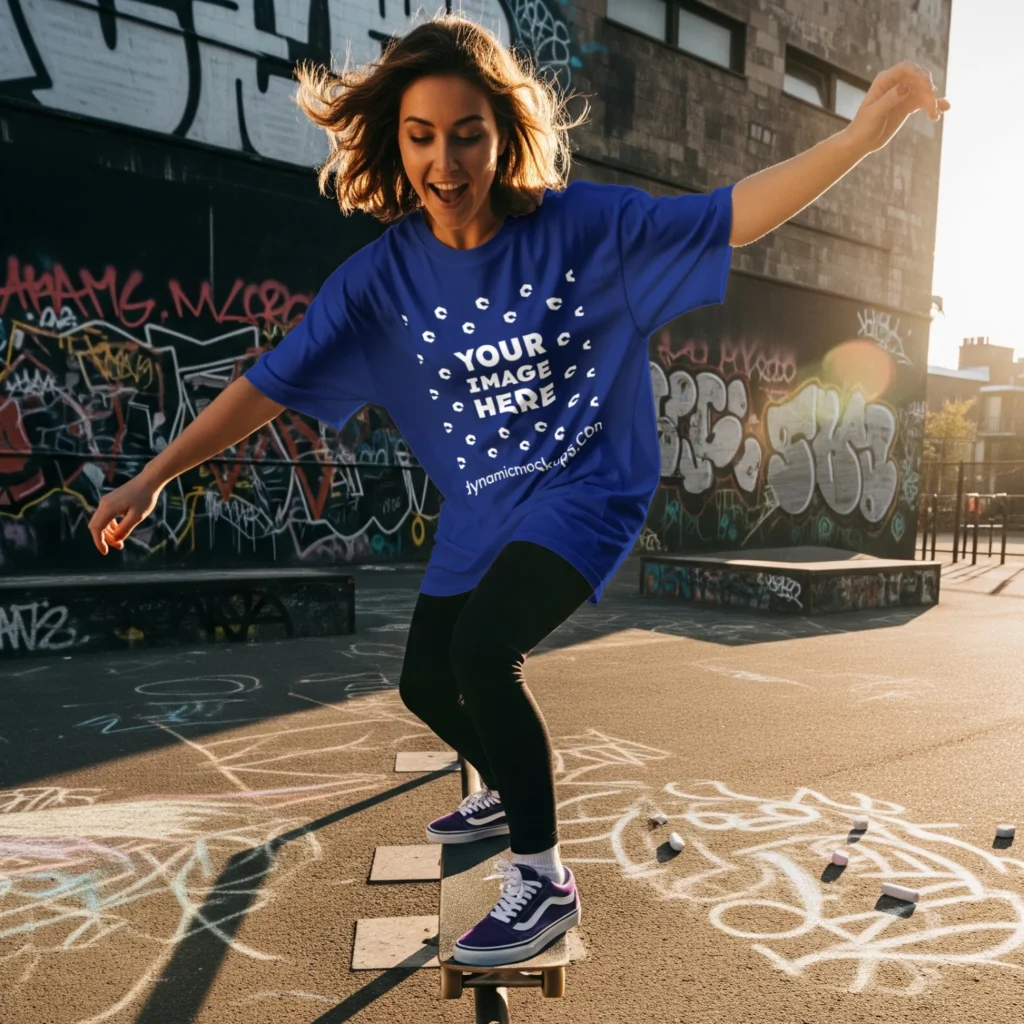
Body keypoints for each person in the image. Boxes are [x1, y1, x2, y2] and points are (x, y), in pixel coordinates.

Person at [88, 16, 948, 966]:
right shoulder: (380, 280)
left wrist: (863, 137)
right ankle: (509, 777)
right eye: (421, 136)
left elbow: (732, 211)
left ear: (505, 136)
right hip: (485, 509)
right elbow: (267, 382)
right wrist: (152, 475)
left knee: (482, 647)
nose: (445, 163)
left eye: (468, 134)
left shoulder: (585, 230)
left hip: (589, 488)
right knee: (427, 678)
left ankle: (543, 882)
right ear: (395, 140)